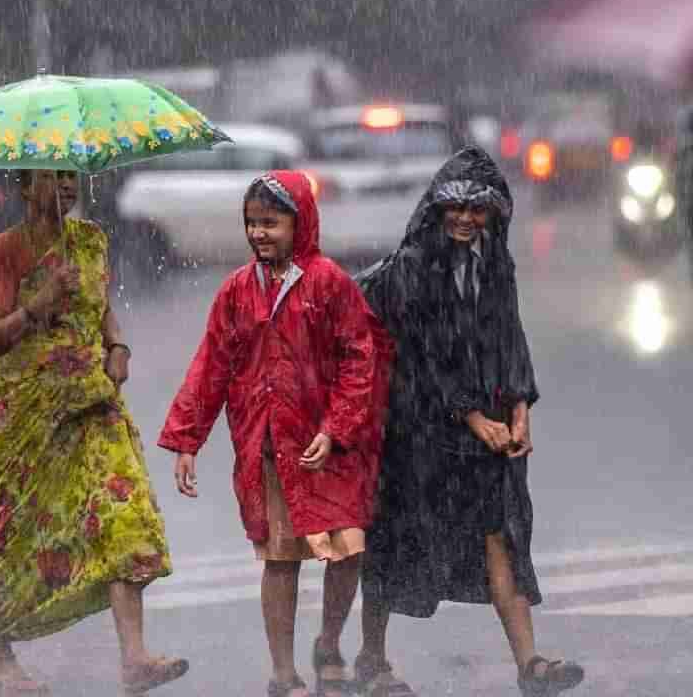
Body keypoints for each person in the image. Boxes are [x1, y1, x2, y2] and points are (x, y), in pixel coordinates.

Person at [353, 147, 584, 697]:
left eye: (476, 209)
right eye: (453, 207)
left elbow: (509, 338)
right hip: (416, 431)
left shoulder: (494, 262)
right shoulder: (412, 268)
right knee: (396, 540)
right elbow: (426, 352)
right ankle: (371, 659)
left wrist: (520, 408)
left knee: (500, 536)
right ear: (435, 209)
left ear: (493, 214)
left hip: (485, 428)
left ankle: (530, 665)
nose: (464, 219)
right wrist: (473, 417)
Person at [159, 171, 390, 697]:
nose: (260, 233)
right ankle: (283, 673)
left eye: (272, 222)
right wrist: (187, 439)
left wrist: (337, 427)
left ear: (300, 221)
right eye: (251, 223)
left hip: (330, 448)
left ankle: (329, 641)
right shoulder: (236, 292)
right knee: (280, 559)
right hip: (269, 448)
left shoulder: (330, 283)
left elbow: (360, 359)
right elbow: (211, 366)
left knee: (347, 551)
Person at [0, 169, 187, 695]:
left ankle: (134, 657)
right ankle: (1, 659)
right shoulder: (5, 252)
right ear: (25, 187)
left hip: (91, 401)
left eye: (73, 176)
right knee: (21, 530)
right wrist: (35, 306)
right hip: (27, 412)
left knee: (123, 511)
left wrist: (118, 347)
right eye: (54, 177)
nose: (67, 186)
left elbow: (103, 311)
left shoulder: (91, 242)